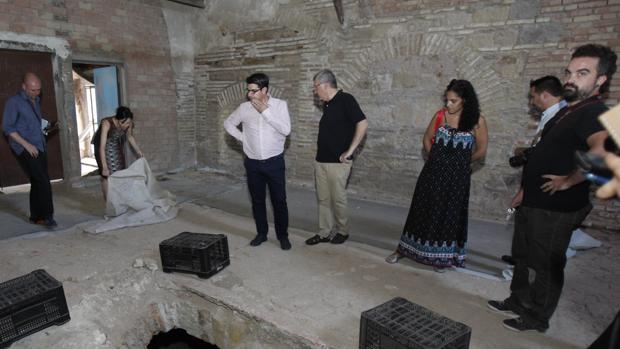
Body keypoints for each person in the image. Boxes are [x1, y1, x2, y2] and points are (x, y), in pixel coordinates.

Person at [488, 44, 617, 333]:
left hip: (556, 206)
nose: (571, 79)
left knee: (544, 263)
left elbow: (605, 151)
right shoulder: (567, 111)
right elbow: (544, 151)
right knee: (523, 256)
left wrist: (569, 180)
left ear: (600, 81)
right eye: (569, 72)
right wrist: (524, 189)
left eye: (582, 73)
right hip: (534, 199)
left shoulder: (595, 111)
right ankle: (518, 301)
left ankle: (537, 317)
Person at [385, 79, 488, 271]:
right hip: (433, 172)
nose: (448, 104)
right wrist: (434, 157)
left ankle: (441, 257)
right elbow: (427, 137)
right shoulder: (441, 116)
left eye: (453, 101)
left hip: (457, 178)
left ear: (465, 100)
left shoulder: (476, 121)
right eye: (447, 100)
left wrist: (463, 163)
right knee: (421, 209)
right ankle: (404, 250)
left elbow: (482, 150)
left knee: (448, 214)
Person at [224, 73, 292, 250]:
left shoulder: (279, 106)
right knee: (257, 200)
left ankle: (283, 236)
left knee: (279, 200)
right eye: (248, 90)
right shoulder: (244, 108)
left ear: (264, 90)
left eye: (253, 91)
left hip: (274, 162)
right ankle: (261, 233)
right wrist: (243, 138)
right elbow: (228, 123)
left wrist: (265, 111)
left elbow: (286, 130)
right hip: (252, 163)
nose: (249, 94)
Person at [503, 76, 567, 264]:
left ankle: (525, 263)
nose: (531, 102)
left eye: (533, 97)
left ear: (545, 95)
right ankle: (520, 258)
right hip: (534, 183)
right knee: (522, 223)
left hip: (543, 186)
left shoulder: (560, 118)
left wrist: (525, 190)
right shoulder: (551, 115)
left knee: (533, 229)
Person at [305, 69, 368, 246]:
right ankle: (324, 232)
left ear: (324, 85)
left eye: (315, 88)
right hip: (321, 160)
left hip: (338, 163)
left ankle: (342, 231)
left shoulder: (346, 99)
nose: (315, 92)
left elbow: (362, 123)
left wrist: (350, 151)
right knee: (323, 199)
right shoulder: (328, 104)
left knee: (338, 198)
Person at [2, 72, 56, 228]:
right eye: (33, 90)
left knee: (37, 180)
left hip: (38, 145)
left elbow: (32, 123)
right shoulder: (14, 102)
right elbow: (7, 128)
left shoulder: (36, 101)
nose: (36, 93)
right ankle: (48, 217)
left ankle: (36, 216)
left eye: (38, 90)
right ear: (24, 87)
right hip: (24, 147)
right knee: (44, 181)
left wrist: (46, 128)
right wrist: (26, 144)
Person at [93, 106, 143, 201]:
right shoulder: (106, 123)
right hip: (101, 147)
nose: (128, 125)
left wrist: (138, 151)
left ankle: (119, 201)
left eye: (129, 122)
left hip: (115, 145)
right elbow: (102, 146)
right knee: (106, 176)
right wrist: (104, 167)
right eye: (125, 123)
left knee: (120, 171)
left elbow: (130, 137)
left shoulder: (128, 123)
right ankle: (109, 204)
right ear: (119, 120)